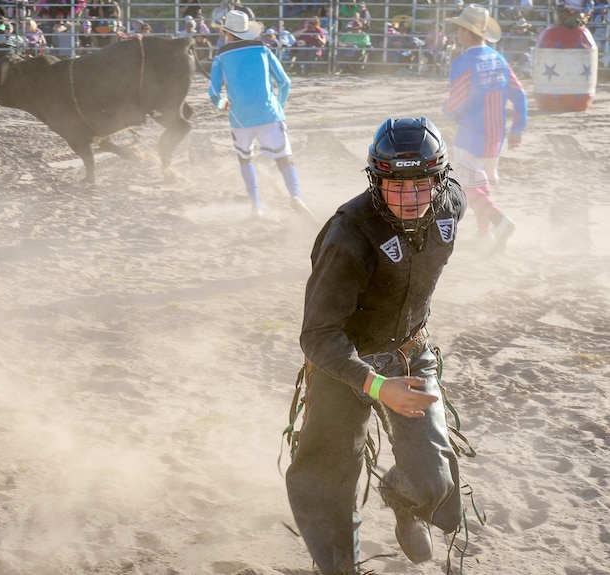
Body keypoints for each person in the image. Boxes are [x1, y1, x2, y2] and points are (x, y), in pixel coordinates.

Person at [286, 116, 467, 575]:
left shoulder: (450, 203)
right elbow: (317, 334)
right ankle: (339, 568)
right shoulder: (349, 236)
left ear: (440, 179)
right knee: (329, 480)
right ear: (376, 179)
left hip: (408, 352)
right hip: (343, 362)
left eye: (422, 183)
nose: (411, 198)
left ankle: (405, 502)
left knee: (435, 482)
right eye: (396, 185)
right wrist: (376, 385)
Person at [208, 10, 315, 221]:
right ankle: (295, 196)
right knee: (284, 158)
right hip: (270, 113)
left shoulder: (221, 56)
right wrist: (278, 106)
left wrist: (222, 105)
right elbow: (284, 82)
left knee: (245, 159)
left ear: (227, 33)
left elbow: (213, 93)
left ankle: (256, 207)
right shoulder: (263, 49)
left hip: (240, 117)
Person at [443, 4, 527, 252]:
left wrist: (446, 110)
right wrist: (517, 129)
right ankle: (483, 234)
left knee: (467, 185)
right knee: (480, 182)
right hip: (495, 136)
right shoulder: (498, 59)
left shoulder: (463, 62)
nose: (457, 32)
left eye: (459, 28)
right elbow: (519, 94)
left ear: (466, 32)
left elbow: (456, 103)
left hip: (471, 135)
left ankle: (500, 221)